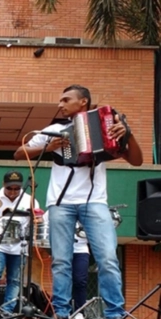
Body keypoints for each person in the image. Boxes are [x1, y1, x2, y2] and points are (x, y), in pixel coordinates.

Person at [14, 84, 143, 319]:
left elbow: (136, 161)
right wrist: (47, 146)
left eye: (65, 100)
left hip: (95, 202)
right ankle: (62, 313)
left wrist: (128, 133)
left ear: (83, 102)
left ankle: (115, 313)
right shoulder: (54, 129)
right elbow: (18, 153)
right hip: (60, 203)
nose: (60, 104)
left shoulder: (106, 127)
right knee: (61, 262)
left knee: (107, 258)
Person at [0, 171, 40, 315]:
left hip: (20, 245)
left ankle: (7, 311)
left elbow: (38, 218)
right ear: (3, 185)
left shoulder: (29, 199)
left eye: (16, 189)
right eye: (9, 188)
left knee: (15, 280)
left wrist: (37, 220)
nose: (13, 192)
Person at [40, 213, 90, 319]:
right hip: (61, 248)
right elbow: (45, 226)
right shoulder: (54, 210)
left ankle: (79, 311)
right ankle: (62, 311)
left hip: (80, 248)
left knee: (80, 280)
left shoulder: (84, 209)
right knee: (62, 280)